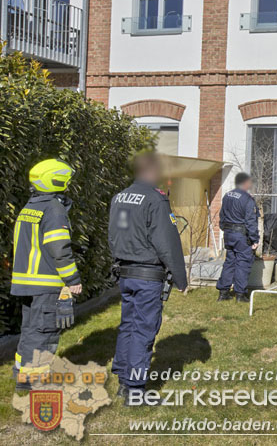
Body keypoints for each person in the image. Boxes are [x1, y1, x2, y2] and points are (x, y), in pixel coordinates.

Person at [108, 153, 187, 404]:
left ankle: (123, 378)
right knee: (143, 329)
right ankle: (134, 389)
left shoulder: (119, 197)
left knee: (128, 326)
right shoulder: (155, 199)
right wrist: (181, 277)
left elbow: (116, 234)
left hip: (125, 273)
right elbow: (167, 241)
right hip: (147, 276)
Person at [11, 159, 82, 390]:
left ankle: (22, 375)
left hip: (25, 283)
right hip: (46, 284)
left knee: (30, 330)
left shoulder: (30, 206)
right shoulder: (53, 208)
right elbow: (59, 248)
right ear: (58, 180)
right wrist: (73, 280)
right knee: (44, 332)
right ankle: (35, 380)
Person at [216, 172, 260, 303]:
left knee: (230, 262)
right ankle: (240, 294)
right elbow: (250, 221)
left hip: (229, 234)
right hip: (241, 235)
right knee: (243, 263)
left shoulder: (227, 195)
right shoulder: (247, 199)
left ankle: (223, 292)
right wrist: (254, 239)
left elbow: (222, 215)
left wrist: (225, 229)